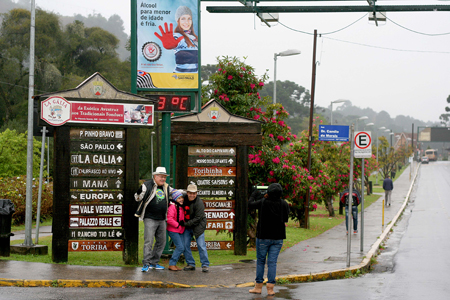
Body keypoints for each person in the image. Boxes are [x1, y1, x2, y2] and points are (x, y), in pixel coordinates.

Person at [134, 166, 180, 272]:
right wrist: (139, 192)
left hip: (162, 219)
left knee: (161, 242)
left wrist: (189, 193)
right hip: (149, 218)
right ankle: (146, 263)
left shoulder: (166, 187)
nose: (163, 179)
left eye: (164, 177)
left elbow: (176, 192)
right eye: (161, 177)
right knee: (148, 241)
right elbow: (137, 197)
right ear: (155, 176)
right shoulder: (146, 185)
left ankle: (154, 263)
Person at [248, 183, 289, 296]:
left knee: (261, 261)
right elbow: (286, 219)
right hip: (278, 238)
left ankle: (258, 287)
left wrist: (254, 194)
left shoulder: (263, 202)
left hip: (263, 237)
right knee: (272, 263)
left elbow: (250, 204)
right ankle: (270, 289)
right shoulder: (284, 204)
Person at [154, 6, 198, 73]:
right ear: (178, 20)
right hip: (179, 78)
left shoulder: (195, 38)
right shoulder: (178, 36)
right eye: (183, 19)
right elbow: (175, 42)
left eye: (189, 19)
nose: (186, 22)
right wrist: (172, 44)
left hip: (193, 79)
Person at [179, 183, 209, 272]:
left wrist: (185, 224)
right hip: (188, 225)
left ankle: (205, 264)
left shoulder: (199, 203)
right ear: (187, 193)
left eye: (194, 193)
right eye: (190, 193)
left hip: (198, 226)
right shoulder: (183, 198)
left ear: (196, 193)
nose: (192, 195)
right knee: (185, 245)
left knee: (201, 245)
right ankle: (191, 263)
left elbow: (198, 218)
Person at [166, 190, 187, 271]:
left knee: (181, 247)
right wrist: (177, 225)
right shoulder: (172, 207)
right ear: (175, 199)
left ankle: (173, 264)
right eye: (179, 198)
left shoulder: (181, 207)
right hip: (173, 230)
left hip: (180, 230)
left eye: (182, 198)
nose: (181, 199)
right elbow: (169, 219)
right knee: (180, 247)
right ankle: (172, 264)